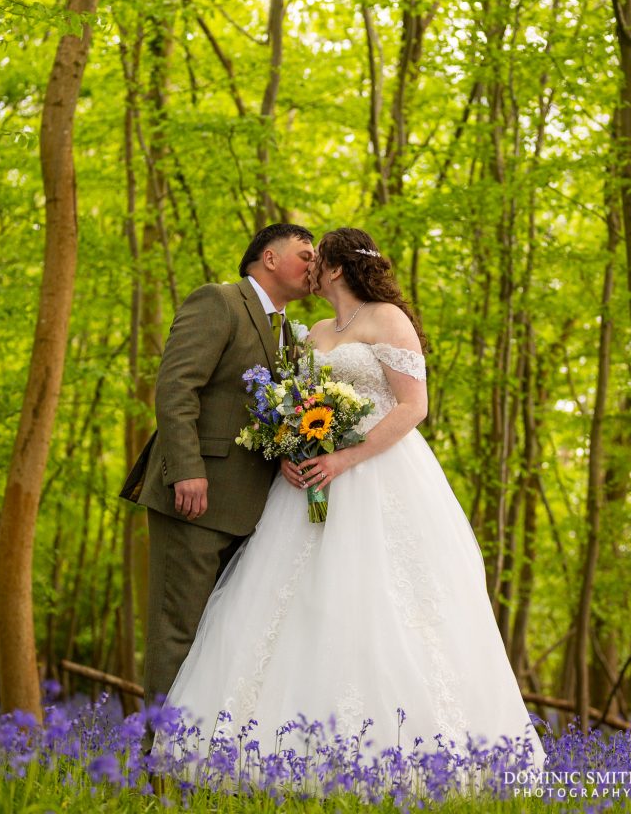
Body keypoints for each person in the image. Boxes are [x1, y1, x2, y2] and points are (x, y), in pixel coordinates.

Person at [160, 227, 546, 768]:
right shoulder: (313, 330)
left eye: (317, 260)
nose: (309, 267)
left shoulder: (387, 318)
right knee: (295, 605)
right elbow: (293, 403)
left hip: (377, 475)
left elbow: (413, 407)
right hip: (307, 484)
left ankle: (403, 755)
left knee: (380, 601)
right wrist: (292, 450)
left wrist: (343, 459)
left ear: (337, 269)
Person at [119, 223, 315, 708]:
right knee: (177, 633)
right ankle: (157, 766)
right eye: (305, 254)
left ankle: (202, 764)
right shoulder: (219, 302)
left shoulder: (291, 334)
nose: (314, 266)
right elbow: (176, 387)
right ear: (269, 258)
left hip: (255, 512)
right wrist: (187, 469)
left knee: (223, 639)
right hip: (195, 499)